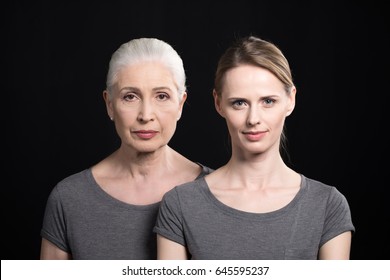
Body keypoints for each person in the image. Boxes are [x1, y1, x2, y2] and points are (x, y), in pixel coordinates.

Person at [154, 35, 355, 260]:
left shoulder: (326, 205)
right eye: (239, 103)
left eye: (268, 101)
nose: (253, 119)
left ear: (291, 100)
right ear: (218, 103)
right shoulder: (181, 204)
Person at [40, 38, 213, 260]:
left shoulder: (218, 192)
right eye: (130, 97)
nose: (146, 115)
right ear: (109, 104)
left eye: (162, 96)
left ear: (180, 104)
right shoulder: (69, 199)